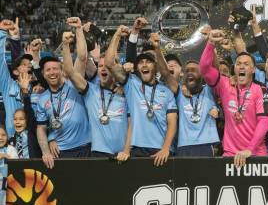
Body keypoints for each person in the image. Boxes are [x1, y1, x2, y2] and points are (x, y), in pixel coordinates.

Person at [199, 29, 268, 167]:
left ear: (253, 70)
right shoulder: (225, 84)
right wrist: (210, 43)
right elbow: (204, 68)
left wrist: (249, 150)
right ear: (234, 69)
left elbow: (264, 122)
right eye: (238, 64)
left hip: (255, 154)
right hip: (230, 154)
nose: (241, 67)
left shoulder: (262, 90)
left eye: (246, 64)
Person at [105, 27, 178, 166]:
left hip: (161, 151)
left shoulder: (166, 91)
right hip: (137, 149)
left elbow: (172, 123)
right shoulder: (132, 84)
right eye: (140, 62)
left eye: (148, 62)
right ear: (137, 68)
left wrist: (166, 148)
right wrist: (117, 35)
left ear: (155, 67)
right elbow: (109, 63)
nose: (144, 64)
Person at [62, 19, 130, 158]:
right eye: (100, 66)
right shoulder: (90, 91)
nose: (103, 69)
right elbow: (71, 71)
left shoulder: (127, 91)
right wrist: (66, 44)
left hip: (124, 153)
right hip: (99, 153)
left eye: (107, 66)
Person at [36, 46, 92, 169]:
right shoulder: (42, 99)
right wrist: (46, 152)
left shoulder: (74, 85)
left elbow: (82, 58)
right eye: (48, 70)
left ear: (62, 71)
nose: (52, 72)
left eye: (55, 69)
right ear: (43, 74)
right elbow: (41, 127)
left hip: (85, 148)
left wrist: (66, 44)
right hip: (60, 152)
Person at [0, 19, 36, 137]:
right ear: (15, 71)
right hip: (12, 142)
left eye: (30, 64)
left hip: (35, 144)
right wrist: (2, 32)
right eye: (24, 65)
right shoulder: (8, 85)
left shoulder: (38, 89)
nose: (29, 66)